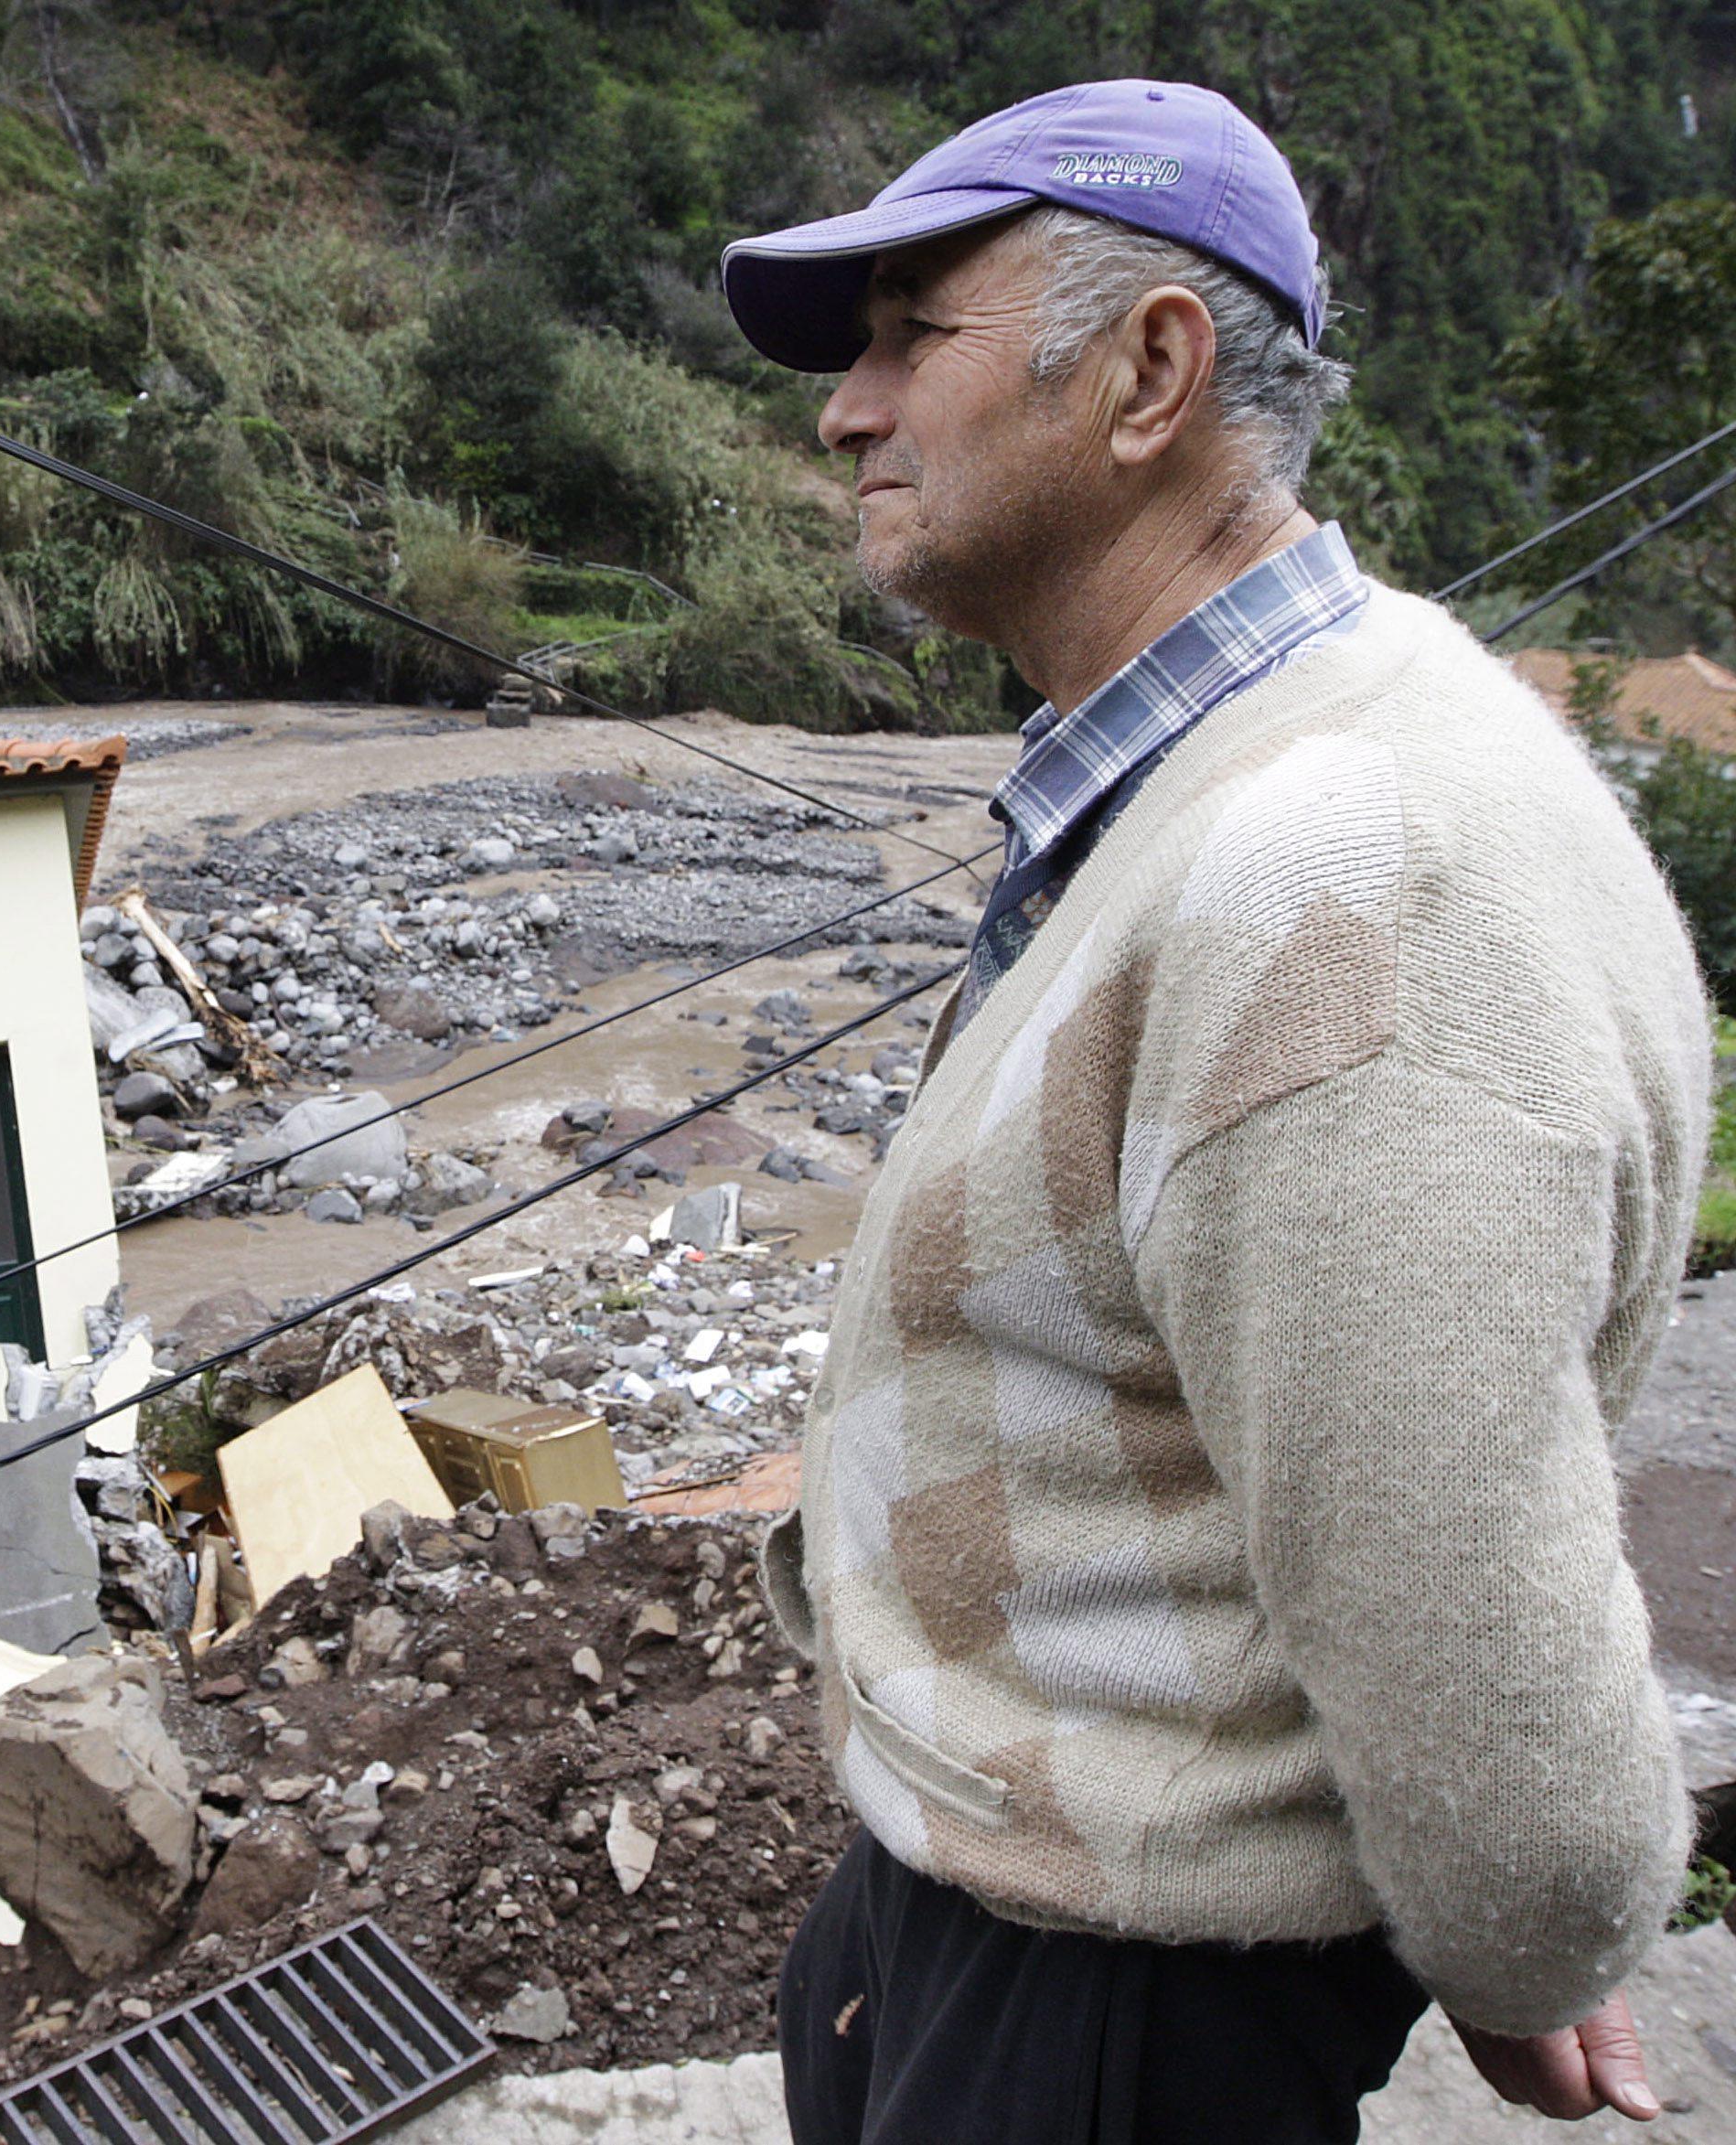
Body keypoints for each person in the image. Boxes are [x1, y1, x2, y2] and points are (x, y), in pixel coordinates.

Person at [719, 80, 1705, 2141]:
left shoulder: (1354, 868)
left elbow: (1465, 1595)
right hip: (1013, 1914)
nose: (848, 410)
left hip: (1116, 2012)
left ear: (1152, 371)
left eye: (914, 334)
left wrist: (1504, 1932)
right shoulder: (1232, 770)